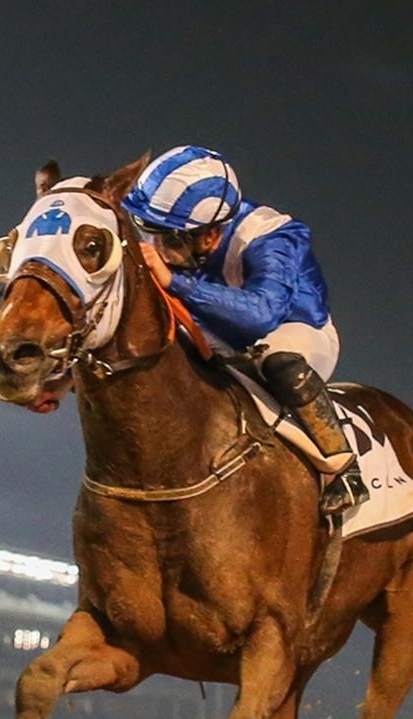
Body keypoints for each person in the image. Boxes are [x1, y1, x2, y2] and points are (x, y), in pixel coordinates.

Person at [123, 145, 366, 516]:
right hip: (221, 329)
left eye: (170, 239)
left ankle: (342, 466)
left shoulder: (271, 236)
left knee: (280, 361)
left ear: (211, 233)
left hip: (293, 329)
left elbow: (260, 316)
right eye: (151, 233)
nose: (158, 248)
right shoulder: (194, 238)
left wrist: (173, 281)